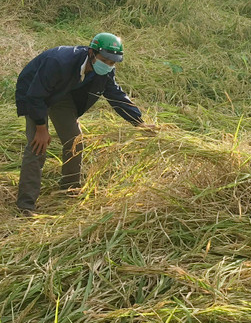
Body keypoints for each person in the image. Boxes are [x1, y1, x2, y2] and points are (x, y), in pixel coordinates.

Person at [15, 32, 153, 215]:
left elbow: (116, 96)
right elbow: (35, 95)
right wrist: (41, 128)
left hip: (62, 95)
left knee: (75, 140)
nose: (109, 65)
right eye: (105, 60)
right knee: (37, 147)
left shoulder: (104, 71)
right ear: (91, 53)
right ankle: (26, 204)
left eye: (113, 62)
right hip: (34, 92)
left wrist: (139, 122)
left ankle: (70, 188)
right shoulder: (59, 61)